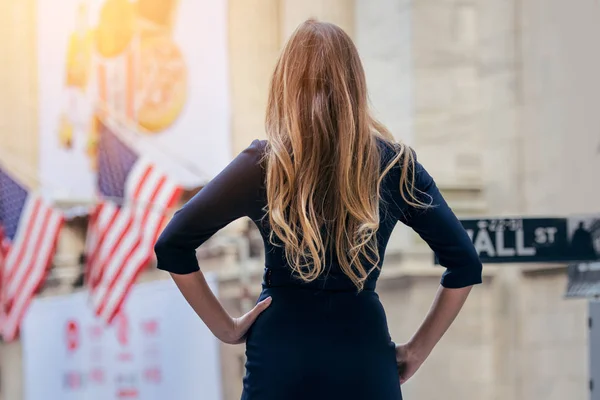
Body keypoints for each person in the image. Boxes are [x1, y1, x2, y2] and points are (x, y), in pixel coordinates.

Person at [154, 19, 482, 400]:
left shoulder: (264, 164)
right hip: (363, 355)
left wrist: (226, 328)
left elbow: (172, 245)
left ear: (286, 85)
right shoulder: (395, 167)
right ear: (355, 85)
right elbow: (465, 264)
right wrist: (417, 350)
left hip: (280, 358)